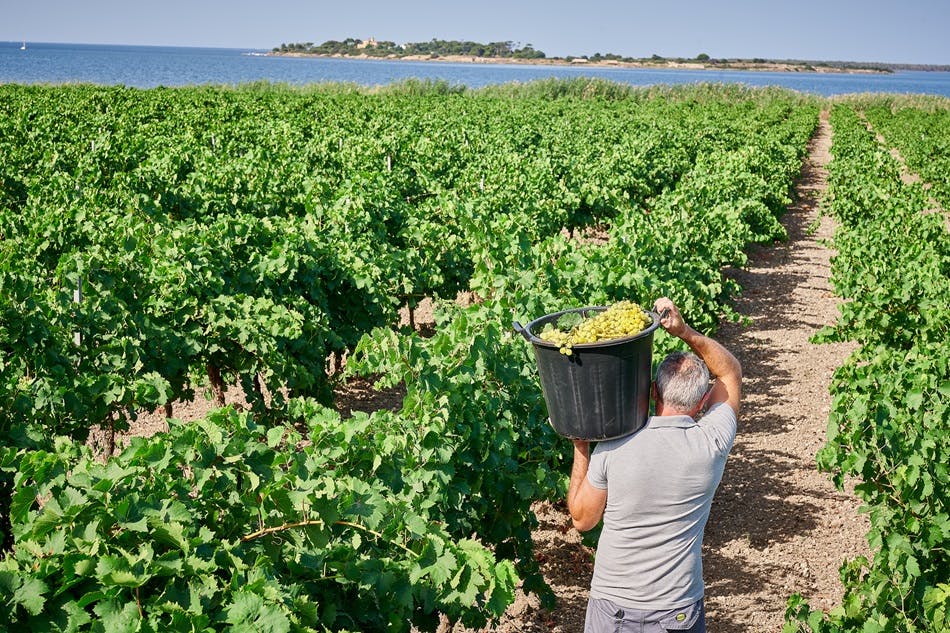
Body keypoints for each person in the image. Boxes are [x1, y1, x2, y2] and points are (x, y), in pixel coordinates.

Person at [567, 297, 742, 633]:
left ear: (651, 392)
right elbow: (730, 371)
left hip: (613, 608)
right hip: (677, 610)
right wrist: (684, 330)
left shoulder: (614, 445)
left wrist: (581, 448)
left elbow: (582, 520)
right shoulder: (712, 444)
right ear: (703, 401)